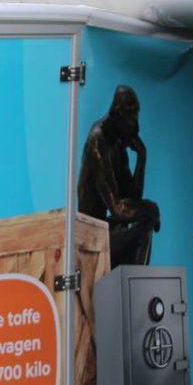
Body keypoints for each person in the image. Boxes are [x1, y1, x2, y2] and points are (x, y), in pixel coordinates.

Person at [77, 84, 162, 269]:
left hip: (104, 229)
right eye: (132, 119)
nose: (136, 127)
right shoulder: (98, 139)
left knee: (142, 222)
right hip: (88, 234)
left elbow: (132, 200)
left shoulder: (118, 143)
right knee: (143, 220)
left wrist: (141, 157)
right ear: (118, 114)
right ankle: (134, 288)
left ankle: (134, 288)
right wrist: (150, 209)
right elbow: (118, 208)